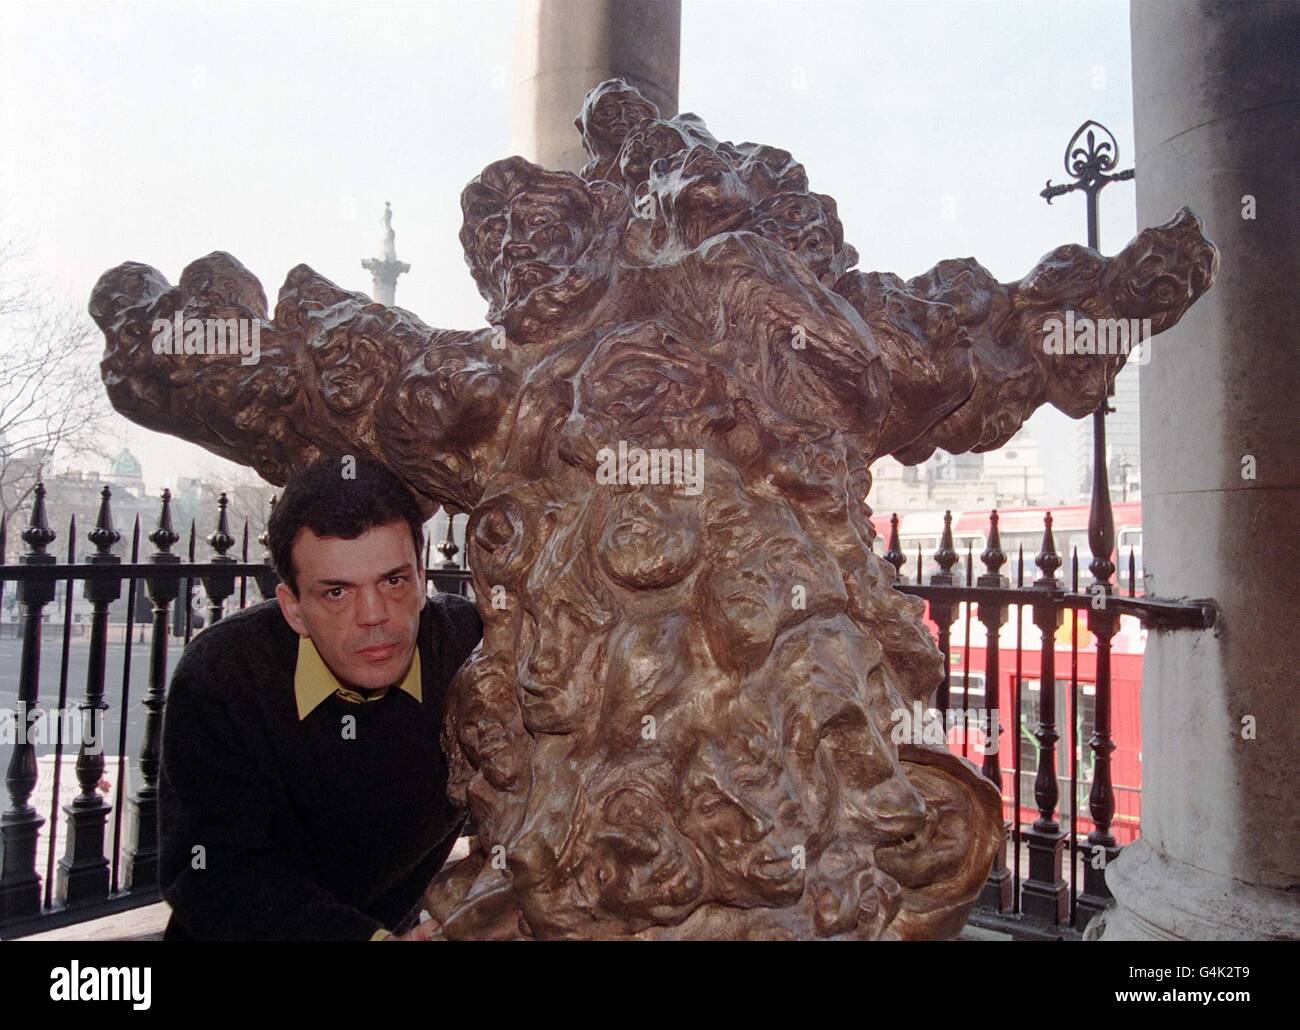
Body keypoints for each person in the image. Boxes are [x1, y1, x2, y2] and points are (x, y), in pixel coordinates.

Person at [157, 457, 482, 940]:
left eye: (393, 580)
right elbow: (212, 873)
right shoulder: (223, 677)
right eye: (336, 592)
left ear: (420, 579)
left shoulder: (471, 650)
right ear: (293, 610)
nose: (374, 615)